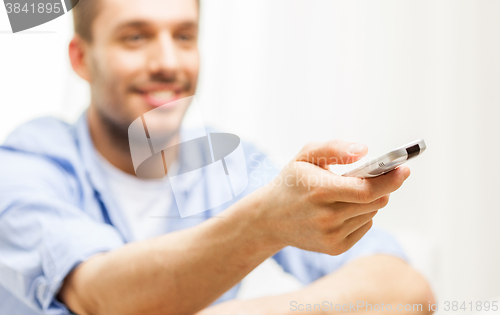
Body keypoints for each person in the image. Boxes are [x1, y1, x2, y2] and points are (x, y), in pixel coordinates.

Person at [0, 0, 435, 314]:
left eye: (185, 36)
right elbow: (99, 297)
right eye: (136, 37)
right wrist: (263, 224)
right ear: (81, 58)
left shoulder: (232, 165)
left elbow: (405, 287)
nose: (168, 62)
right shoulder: (28, 163)